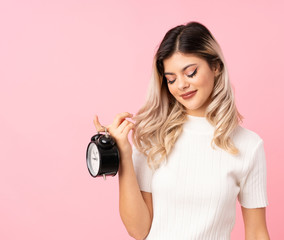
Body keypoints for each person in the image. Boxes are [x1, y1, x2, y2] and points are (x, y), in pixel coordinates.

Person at [93, 21, 270, 240]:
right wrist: (125, 156)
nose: (181, 86)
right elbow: (139, 230)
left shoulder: (249, 145)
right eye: (171, 79)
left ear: (215, 66)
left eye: (191, 72)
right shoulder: (152, 135)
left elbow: (256, 232)